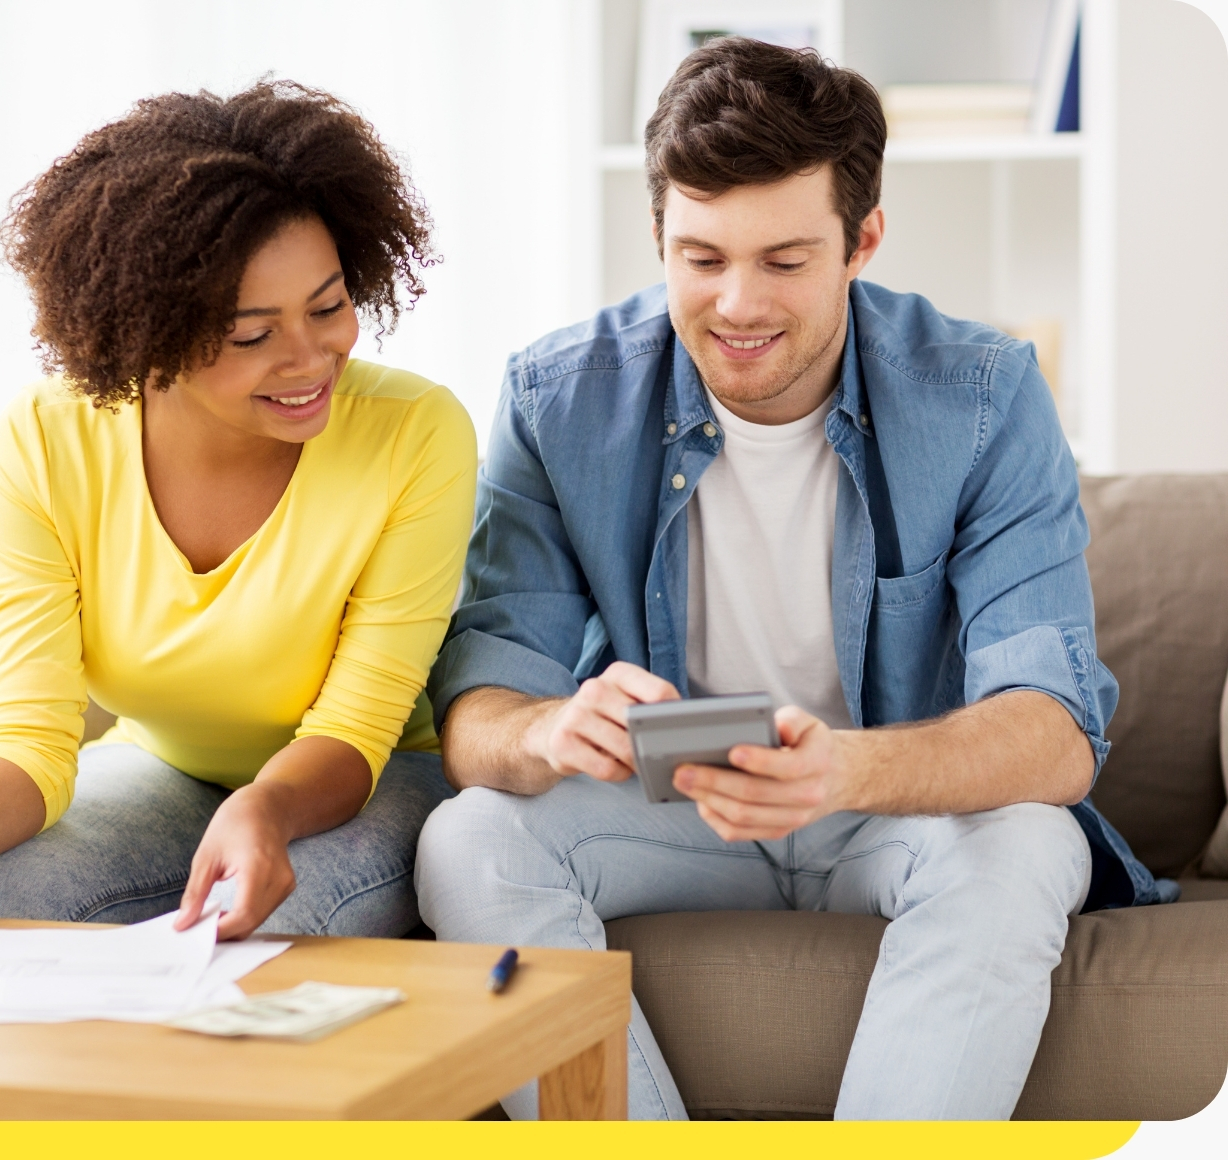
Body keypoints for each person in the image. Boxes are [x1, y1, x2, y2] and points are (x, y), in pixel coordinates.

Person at [413, 39, 1171, 1120]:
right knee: (469, 835)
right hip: (674, 811)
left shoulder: (983, 395)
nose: (735, 304)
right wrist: (541, 731)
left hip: (886, 804)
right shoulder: (555, 398)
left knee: (1026, 840)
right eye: (700, 255)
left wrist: (843, 770)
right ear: (657, 235)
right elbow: (477, 707)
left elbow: (1052, 730)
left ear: (861, 239)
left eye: (782, 259)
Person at [0, 81, 477, 942]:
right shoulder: (47, 437)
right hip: (162, 770)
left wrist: (267, 806)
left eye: (329, 306)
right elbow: (30, 748)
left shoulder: (414, 433)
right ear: (151, 331)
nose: (311, 359)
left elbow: (356, 728)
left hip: (374, 779)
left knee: (258, 935)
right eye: (252, 335)